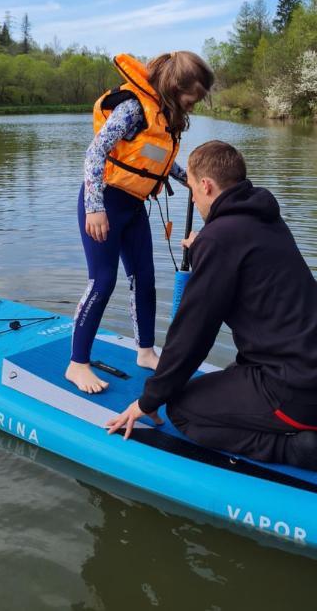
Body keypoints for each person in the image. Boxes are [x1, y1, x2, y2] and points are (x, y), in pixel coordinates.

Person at [107, 140, 317, 474]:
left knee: (182, 408)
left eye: (193, 190)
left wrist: (148, 400)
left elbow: (192, 336)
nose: (193, 199)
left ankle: (295, 448)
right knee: (253, 365)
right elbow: (243, 260)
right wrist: (205, 249)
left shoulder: (219, 240)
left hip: (306, 395)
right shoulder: (265, 218)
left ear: (207, 186)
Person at [66, 52, 214, 395]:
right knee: (102, 282)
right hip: (103, 204)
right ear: (177, 87)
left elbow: (157, 162)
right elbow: (95, 153)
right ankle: (77, 364)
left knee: (145, 280)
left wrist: (188, 180)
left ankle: (145, 352)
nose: (196, 104)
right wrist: (94, 207)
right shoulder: (133, 108)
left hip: (133, 208)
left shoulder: (162, 116)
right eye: (195, 96)